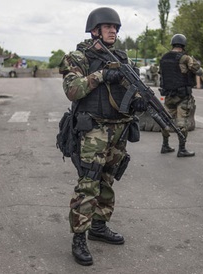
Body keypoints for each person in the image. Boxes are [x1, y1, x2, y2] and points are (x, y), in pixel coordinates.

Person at [59, 7, 147, 266]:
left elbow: (133, 89)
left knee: (108, 180)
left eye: (116, 27)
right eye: (108, 26)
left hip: (119, 129)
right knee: (89, 183)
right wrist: (101, 75)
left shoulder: (123, 58)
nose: (113, 31)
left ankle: (99, 226)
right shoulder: (78, 57)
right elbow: (73, 90)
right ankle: (79, 238)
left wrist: (140, 101)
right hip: (93, 130)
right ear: (95, 30)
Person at [158, 34, 203, 157]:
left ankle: (165, 145)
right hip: (182, 96)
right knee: (182, 123)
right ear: (183, 45)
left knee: (165, 121)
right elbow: (199, 71)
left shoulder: (164, 58)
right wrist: (193, 61)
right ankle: (182, 149)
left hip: (168, 95)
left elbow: (161, 75)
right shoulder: (185, 58)